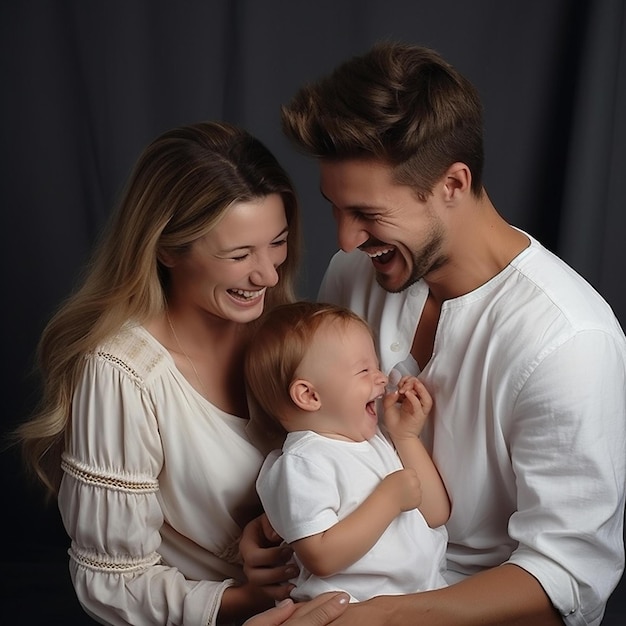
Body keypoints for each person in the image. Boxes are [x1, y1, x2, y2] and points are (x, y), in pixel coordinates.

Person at [239, 42, 626, 625]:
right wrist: (276, 529)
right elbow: (327, 445)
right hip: (348, 588)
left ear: (453, 183)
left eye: (368, 213)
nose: (345, 240)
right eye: (336, 209)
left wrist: (392, 616)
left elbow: (567, 577)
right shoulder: (355, 273)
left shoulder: (569, 341)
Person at [13, 119, 337, 626]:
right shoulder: (121, 374)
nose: (269, 274)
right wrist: (252, 600)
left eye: (277, 242)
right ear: (166, 248)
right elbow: (113, 582)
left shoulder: (286, 331)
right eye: (239, 255)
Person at [245, 301, 449, 603]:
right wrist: (388, 499)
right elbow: (321, 556)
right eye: (364, 370)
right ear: (309, 395)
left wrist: (405, 436)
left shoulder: (374, 440)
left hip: (422, 598)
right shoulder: (302, 463)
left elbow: (435, 513)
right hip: (350, 611)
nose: (382, 377)